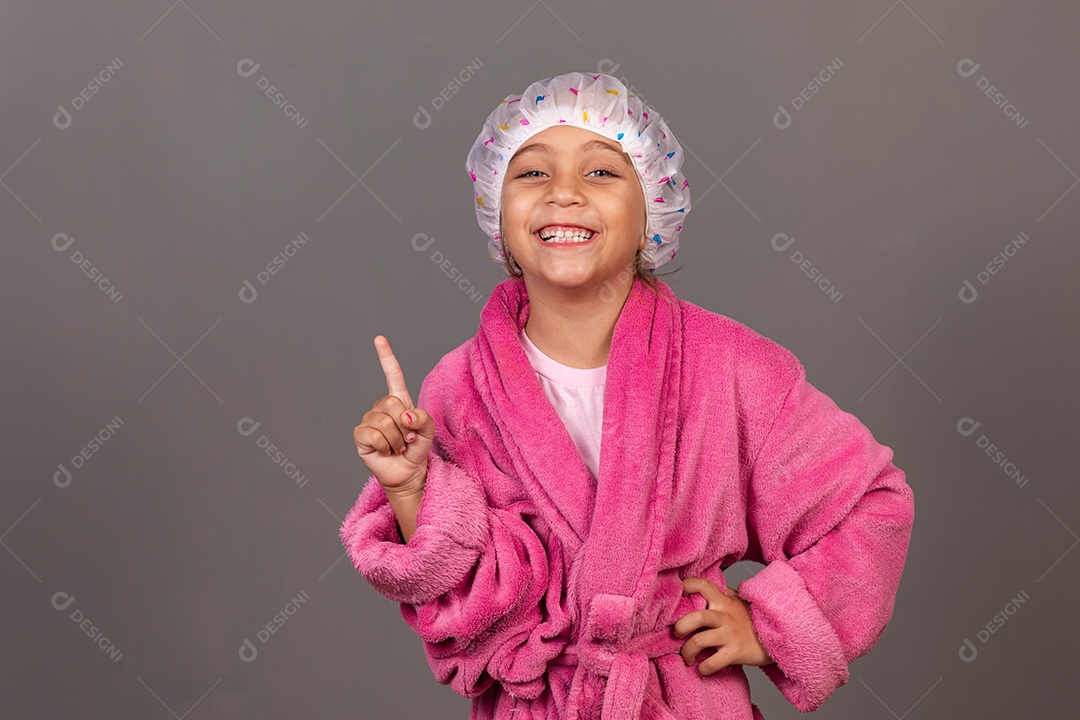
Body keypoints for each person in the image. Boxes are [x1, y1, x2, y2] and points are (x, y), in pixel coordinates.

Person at [341, 71, 915, 720]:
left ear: (652, 216)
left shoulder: (727, 366)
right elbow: (467, 601)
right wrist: (412, 489)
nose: (564, 193)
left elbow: (870, 503)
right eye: (531, 174)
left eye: (601, 174)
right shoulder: (461, 387)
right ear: (497, 214)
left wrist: (772, 624)